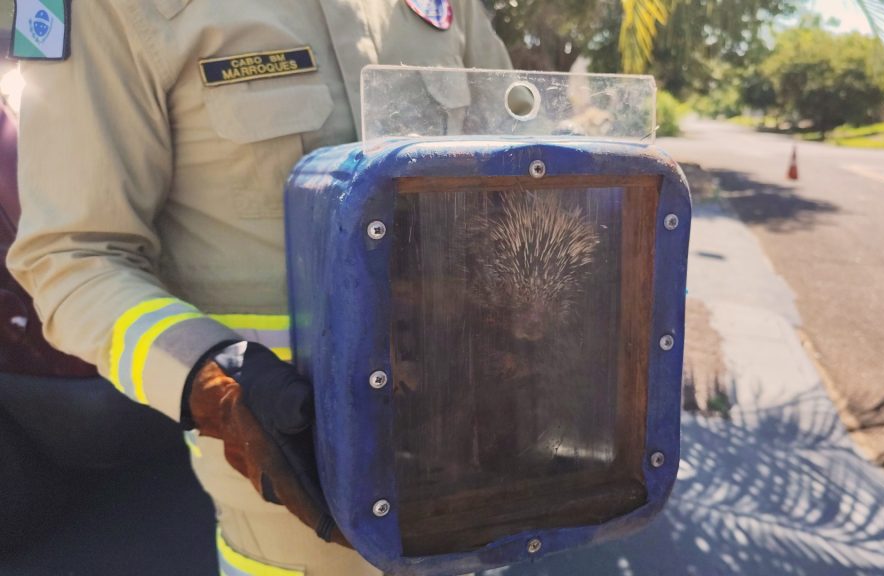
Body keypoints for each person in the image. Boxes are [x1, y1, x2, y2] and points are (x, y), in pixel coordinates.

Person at [7, 1, 511, 574]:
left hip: (476, 490)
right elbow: (72, 258)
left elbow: (524, 170)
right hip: (296, 528)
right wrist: (212, 378)